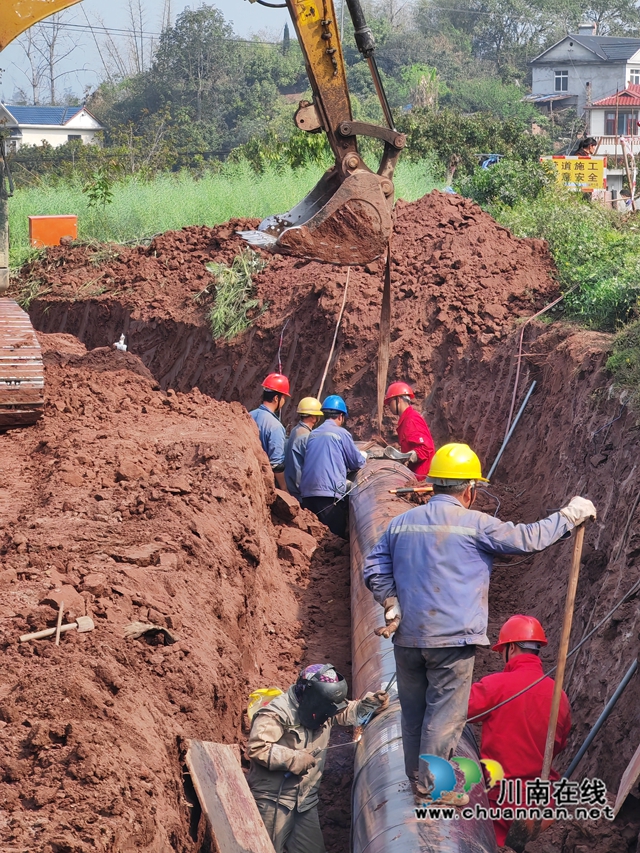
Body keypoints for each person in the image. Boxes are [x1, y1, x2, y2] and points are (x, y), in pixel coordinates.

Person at [363, 442, 594, 805]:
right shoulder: (475, 524)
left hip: (406, 638)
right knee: (444, 713)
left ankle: (415, 777)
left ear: (432, 485)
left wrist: (390, 598)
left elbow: (373, 566)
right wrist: (567, 516)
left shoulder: (400, 523)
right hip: (452, 641)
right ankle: (432, 788)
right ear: (469, 489)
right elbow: (526, 538)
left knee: (413, 712)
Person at [247, 663, 388, 853]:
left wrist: (369, 705)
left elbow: (346, 712)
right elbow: (257, 747)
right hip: (273, 801)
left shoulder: (323, 706)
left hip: (305, 802)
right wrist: (293, 759)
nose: (328, 714)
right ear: (310, 696)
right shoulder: (277, 713)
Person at [468, 615, 571, 846]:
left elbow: (457, 711)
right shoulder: (559, 696)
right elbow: (560, 743)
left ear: (511, 648)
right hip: (544, 804)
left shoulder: (496, 686)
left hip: (502, 804)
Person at [299, 395, 366, 538]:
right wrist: (364, 456)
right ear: (341, 416)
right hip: (329, 496)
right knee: (333, 541)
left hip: (307, 495)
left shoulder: (313, 434)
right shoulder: (342, 433)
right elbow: (357, 462)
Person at [383, 382, 435, 480]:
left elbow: (426, 448)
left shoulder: (412, 419)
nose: (389, 406)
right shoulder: (406, 419)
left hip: (422, 477)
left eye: (390, 402)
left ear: (398, 399)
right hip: (415, 474)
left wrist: (407, 457)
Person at [250, 373, 290, 491]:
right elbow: (276, 464)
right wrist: (283, 487)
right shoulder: (275, 426)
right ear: (276, 398)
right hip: (262, 483)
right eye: (283, 398)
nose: (283, 401)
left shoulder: (248, 415)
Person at [284, 397, 323, 500]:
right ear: (314, 417)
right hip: (300, 490)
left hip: (291, 485)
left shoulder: (295, 430)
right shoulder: (306, 436)